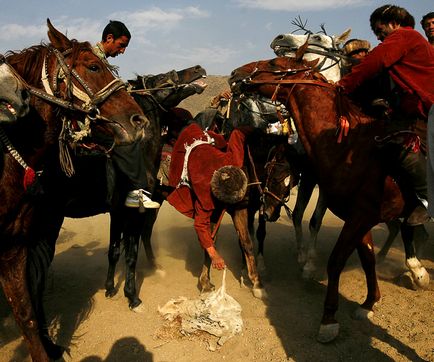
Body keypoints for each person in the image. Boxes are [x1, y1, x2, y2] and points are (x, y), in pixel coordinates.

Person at [338, 4, 434, 225]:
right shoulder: (411, 43)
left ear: (393, 23)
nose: (381, 40)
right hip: (414, 112)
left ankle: (427, 201)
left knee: (403, 148)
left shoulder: (405, 36)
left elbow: (375, 61)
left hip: (424, 112)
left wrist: (341, 85)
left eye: (381, 32)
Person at [93, 21, 160, 209]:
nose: (122, 51)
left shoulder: (101, 62)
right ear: (109, 39)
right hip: (90, 119)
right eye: (121, 46)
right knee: (127, 138)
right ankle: (136, 192)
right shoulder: (94, 61)